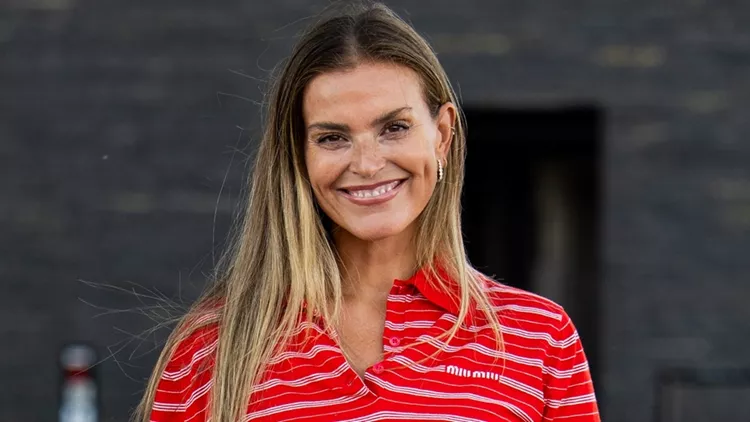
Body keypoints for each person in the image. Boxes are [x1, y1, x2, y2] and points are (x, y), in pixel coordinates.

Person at [135, 3, 600, 421]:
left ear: (442, 134)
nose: (367, 164)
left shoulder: (538, 337)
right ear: (299, 155)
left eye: (394, 128)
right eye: (332, 137)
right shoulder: (211, 347)